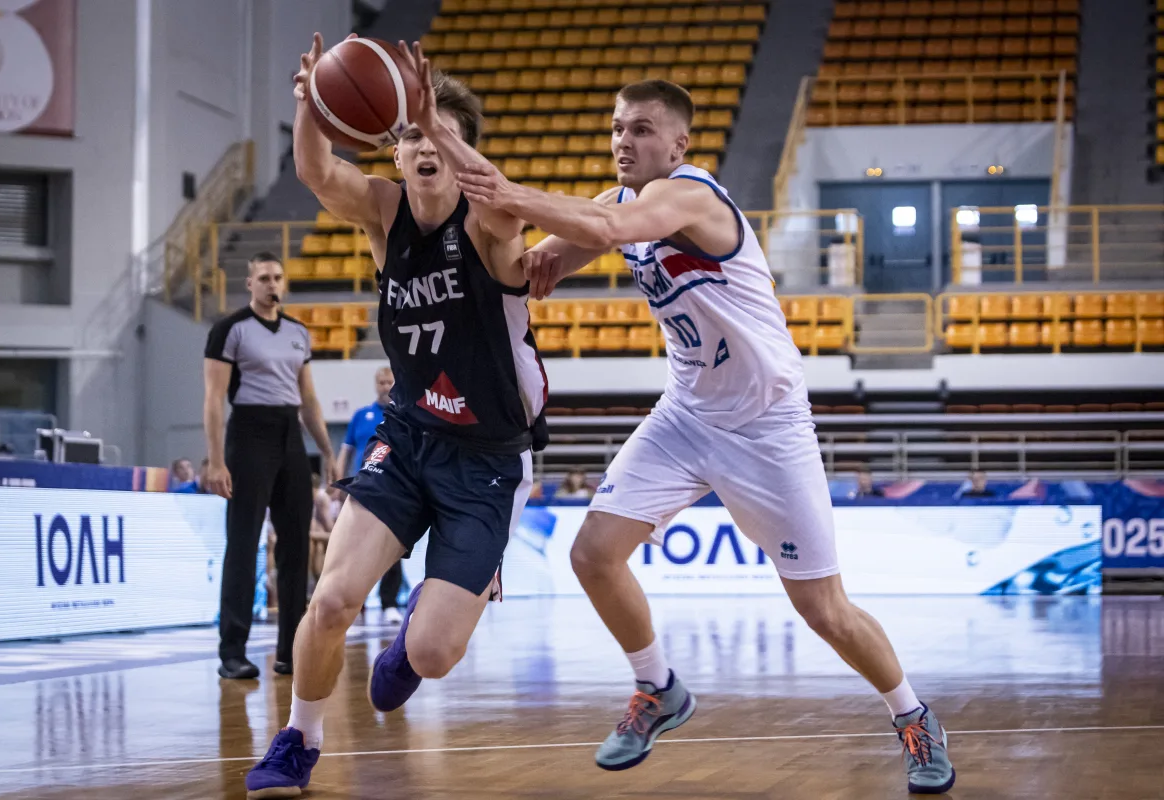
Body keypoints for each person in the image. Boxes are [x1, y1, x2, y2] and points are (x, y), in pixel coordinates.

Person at [457, 79, 955, 794]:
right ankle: (657, 685)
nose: (624, 141)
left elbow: (605, 234)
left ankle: (912, 715)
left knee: (825, 611)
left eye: (642, 130)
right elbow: (541, 265)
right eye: (618, 128)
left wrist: (498, 185)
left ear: (678, 144)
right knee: (593, 555)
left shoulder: (691, 197)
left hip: (767, 427)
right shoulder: (618, 203)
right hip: (687, 415)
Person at [243, 37, 547, 799]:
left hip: (489, 461)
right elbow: (316, 170)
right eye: (407, 133)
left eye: (435, 133)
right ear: (397, 148)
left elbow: (504, 206)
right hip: (409, 439)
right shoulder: (385, 213)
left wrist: (427, 114)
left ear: (462, 149)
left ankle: (415, 643)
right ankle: (298, 739)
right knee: (333, 598)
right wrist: (311, 100)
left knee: (437, 653)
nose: (420, 146)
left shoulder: (490, 222)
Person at [203, 251, 339, 681]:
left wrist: (328, 452)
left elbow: (310, 400)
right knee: (244, 544)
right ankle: (232, 651)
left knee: (297, 544)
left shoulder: (299, 332)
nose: (271, 284)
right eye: (263, 278)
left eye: (277, 277)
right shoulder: (230, 330)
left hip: (289, 436)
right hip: (248, 434)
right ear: (249, 283)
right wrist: (217, 459)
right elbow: (212, 398)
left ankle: (291, 651)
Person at [337, 365, 405, 624]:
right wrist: (339, 482)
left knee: (391, 548)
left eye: (389, 381)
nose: (385, 386)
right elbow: (346, 450)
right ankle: (357, 605)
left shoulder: (403, 414)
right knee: (355, 549)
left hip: (394, 489)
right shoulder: (360, 415)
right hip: (362, 489)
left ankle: (389, 603)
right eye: (381, 382)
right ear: (375, 384)